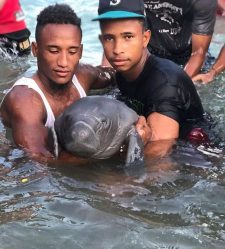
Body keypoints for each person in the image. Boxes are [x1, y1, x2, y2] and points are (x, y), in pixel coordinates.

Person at [93, 0, 211, 158]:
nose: (117, 49)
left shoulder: (165, 82)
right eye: (109, 38)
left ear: (145, 38)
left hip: (196, 152)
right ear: (101, 41)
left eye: (128, 37)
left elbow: (158, 166)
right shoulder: (123, 71)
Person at [0, 4, 114, 162]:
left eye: (72, 51)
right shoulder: (24, 100)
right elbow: (41, 158)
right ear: (35, 49)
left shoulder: (83, 75)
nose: (64, 62)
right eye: (54, 51)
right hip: (13, 158)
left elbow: (116, 76)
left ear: (80, 52)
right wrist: (114, 152)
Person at [143, 0, 217, 78]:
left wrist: (179, 84)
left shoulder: (202, 2)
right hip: (149, 52)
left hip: (187, 56)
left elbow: (198, 52)